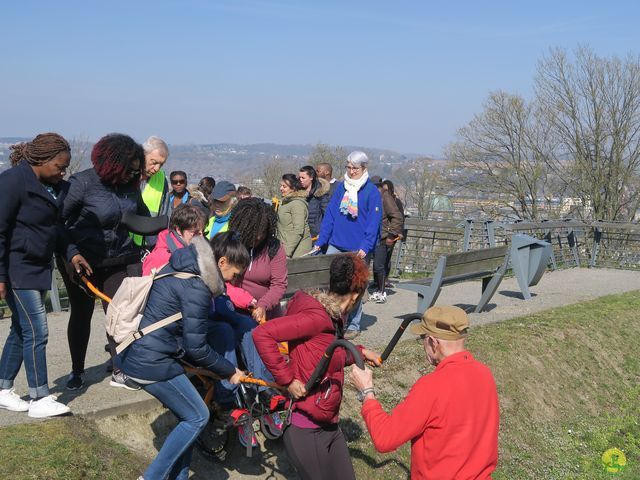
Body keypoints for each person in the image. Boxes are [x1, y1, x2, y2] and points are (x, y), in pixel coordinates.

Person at [118, 234, 244, 480]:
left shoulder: (183, 266)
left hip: (147, 353)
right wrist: (230, 370)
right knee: (198, 416)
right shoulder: (197, 286)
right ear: (222, 262)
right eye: (236, 274)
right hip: (151, 361)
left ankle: (180, 476)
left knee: (189, 418)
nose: (235, 281)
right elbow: (196, 346)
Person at [253, 253, 382, 480]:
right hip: (306, 427)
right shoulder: (317, 318)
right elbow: (263, 334)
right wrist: (288, 380)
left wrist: (359, 352)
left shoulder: (332, 317)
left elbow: (326, 354)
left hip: (329, 424)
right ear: (355, 296)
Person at [350, 306, 499, 479]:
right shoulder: (485, 374)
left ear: (433, 342)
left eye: (422, 338)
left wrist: (367, 392)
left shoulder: (431, 386)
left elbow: (385, 439)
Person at [0, 133, 90, 418]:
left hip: (39, 266)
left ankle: (2, 389)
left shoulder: (57, 188)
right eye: (59, 166)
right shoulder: (13, 181)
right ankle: (39, 397)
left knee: (20, 328)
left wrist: (72, 252)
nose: (64, 172)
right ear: (41, 160)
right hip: (16, 267)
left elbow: (58, 227)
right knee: (37, 329)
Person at [59, 133, 149, 391]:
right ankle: (77, 371)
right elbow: (59, 223)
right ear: (113, 163)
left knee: (118, 313)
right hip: (81, 260)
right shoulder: (82, 183)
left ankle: (120, 368)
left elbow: (142, 217)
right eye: (129, 169)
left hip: (117, 257)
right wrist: (72, 252)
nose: (133, 175)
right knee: (81, 312)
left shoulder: (131, 185)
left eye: (136, 170)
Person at [313, 151, 382, 340]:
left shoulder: (371, 192)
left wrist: (366, 246)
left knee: (354, 287)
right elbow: (330, 217)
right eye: (349, 167)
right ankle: (332, 321)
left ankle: (353, 324)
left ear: (364, 168)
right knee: (332, 284)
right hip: (336, 242)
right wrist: (321, 241)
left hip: (358, 247)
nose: (351, 171)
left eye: (355, 168)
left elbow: (373, 223)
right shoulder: (342, 188)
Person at [228, 198, 287, 321]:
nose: (259, 236)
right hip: (235, 310)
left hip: (266, 315)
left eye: (263, 231)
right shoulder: (231, 245)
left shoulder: (273, 247)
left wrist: (263, 305)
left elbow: (279, 285)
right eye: (254, 231)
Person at [131, 136, 171, 249]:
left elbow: (165, 215)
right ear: (143, 155)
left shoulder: (161, 179)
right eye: (154, 162)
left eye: (161, 164)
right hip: (122, 243)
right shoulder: (126, 174)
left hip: (148, 245)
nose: (157, 168)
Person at [369, 176, 403, 304]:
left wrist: (391, 235)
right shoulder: (374, 197)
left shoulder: (385, 197)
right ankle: (378, 290)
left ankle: (381, 291)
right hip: (373, 236)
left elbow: (397, 217)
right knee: (376, 265)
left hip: (383, 236)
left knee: (379, 265)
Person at [277, 174, 313, 258]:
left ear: (293, 188)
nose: (281, 188)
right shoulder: (284, 202)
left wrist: (286, 252)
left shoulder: (297, 204)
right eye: (281, 186)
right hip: (284, 246)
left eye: (284, 186)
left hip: (297, 250)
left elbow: (298, 231)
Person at [381, 179, 405, 288]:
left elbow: (400, 217)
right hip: (383, 232)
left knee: (387, 257)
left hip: (392, 233)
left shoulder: (396, 201)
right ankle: (379, 281)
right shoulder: (381, 200)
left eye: (387, 189)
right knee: (380, 258)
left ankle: (385, 279)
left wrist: (399, 232)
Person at [298, 165, 331, 239]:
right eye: (299, 177)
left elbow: (327, 215)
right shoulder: (297, 192)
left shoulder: (321, 193)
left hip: (316, 235)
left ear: (311, 178)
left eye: (303, 178)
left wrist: (323, 232)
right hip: (301, 234)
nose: (300, 180)